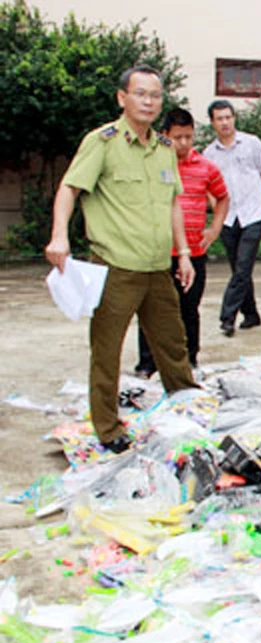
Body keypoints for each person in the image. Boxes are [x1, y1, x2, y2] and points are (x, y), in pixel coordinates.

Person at [44, 65, 199, 453]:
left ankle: (189, 409)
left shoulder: (164, 148)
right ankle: (109, 429)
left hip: (157, 267)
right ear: (122, 98)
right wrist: (59, 235)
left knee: (173, 346)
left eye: (156, 95)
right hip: (115, 268)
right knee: (107, 351)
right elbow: (69, 188)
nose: (149, 101)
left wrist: (183, 252)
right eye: (141, 93)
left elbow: (173, 204)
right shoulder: (103, 142)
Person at [134, 108, 230, 376]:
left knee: (189, 309)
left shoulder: (206, 168)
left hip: (194, 251)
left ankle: (189, 360)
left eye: (189, 137)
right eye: (178, 137)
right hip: (158, 252)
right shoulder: (153, 163)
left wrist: (214, 229)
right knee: (153, 310)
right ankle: (147, 363)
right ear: (165, 135)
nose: (184, 143)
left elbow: (223, 197)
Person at [203, 100, 261, 337]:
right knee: (239, 268)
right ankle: (251, 314)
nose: (225, 122)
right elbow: (208, 188)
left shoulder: (252, 144)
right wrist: (214, 208)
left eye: (228, 117)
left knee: (243, 265)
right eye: (220, 118)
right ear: (213, 123)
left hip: (253, 213)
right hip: (227, 217)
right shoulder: (209, 153)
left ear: (234, 118)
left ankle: (227, 317)